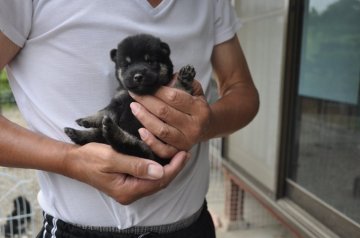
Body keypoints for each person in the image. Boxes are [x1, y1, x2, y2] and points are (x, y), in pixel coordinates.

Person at [0, 0, 259, 237]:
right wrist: (70, 160)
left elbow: (242, 89)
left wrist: (207, 123)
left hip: (191, 226)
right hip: (76, 229)